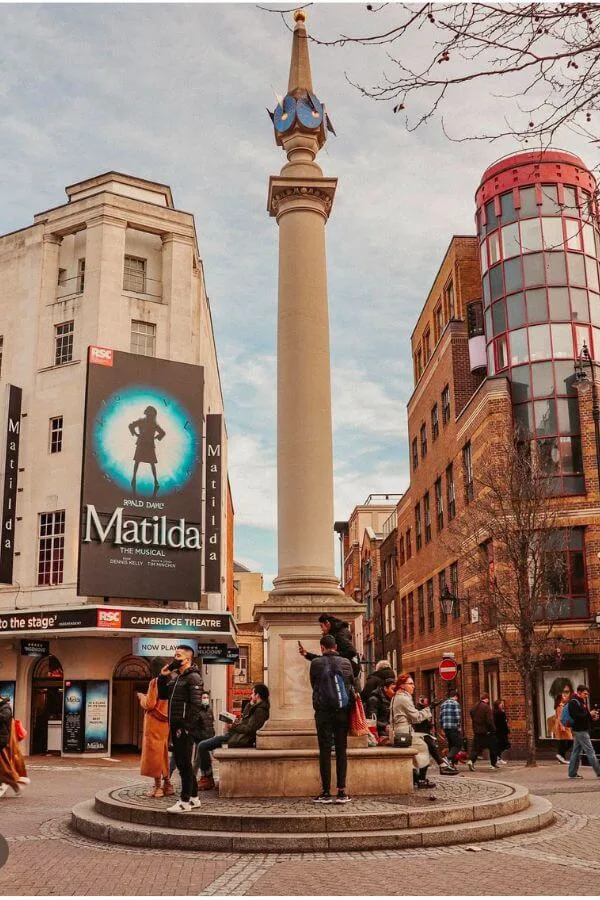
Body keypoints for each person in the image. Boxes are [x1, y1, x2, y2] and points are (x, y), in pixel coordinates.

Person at [157, 645, 204, 813]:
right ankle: (194, 798)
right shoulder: (177, 679)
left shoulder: (193, 678)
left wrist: (186, 727)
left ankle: (184, 802)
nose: (174, 659)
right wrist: (163, 677)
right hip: (175, 725)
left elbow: (196, 705)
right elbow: (162, 695)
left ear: (187, 659)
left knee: (184, 763)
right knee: (183, 763)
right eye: (174, 655)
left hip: (184, 728)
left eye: (178, 656)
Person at [308, 633, 354, 803]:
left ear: (322, 647)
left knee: (325, 751)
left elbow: (314, 685)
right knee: (342, 750)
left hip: (323, 712)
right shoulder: (346, 662)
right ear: (336, 647)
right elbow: (350, 684)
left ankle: (326, 792)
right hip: (342, 712)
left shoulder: (316, 663)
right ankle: (342, 791)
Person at [194, 684, 270, 755]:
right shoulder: (255, 708)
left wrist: (233, 726)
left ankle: (206, 769)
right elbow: (244, 718)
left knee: (202, 745)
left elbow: (250, 729)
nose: (251, 696)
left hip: (239, 739)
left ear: (257, 695)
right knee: (203, 746)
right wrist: (249, 705)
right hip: (236, 736)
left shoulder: (260, 711)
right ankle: (206, 769)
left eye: (252, 693)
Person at [389, 674, 435, 789]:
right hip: (403, 734)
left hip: (400, 732)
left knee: (421, 745)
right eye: (411, 684)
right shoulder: (403, 698)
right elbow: (416, 717)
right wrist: (428, 710)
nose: (413, 686)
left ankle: (416, 778)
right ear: (402, 686)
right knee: (424, 747)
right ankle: (421, 779)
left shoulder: (397, 696)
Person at [137, 677, 173, 798]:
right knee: (162, 753)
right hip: (164, 723)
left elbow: (149, 703)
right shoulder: (171, 682)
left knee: (154, 756)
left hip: (153, 723)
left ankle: (157, 787)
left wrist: (142, 697)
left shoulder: (155, 682)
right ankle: (168, 785)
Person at [299, 614, 361, 680]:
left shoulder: (339, 635)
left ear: (327, 623)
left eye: (321, 626)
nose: (322, 629)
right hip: (346, 670)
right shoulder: (337, 632)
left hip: (346, 672)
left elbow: (352, 651)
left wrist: (335, 655)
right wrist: (307, 654)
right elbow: (326, 658)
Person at [414, 697, 458, 775]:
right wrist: (431, 707)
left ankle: (422, 777)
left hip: (423, 733)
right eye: (426, 701)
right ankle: (442, 765)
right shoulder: (417, 708)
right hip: (420, 734)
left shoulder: (421, 708)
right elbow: (418, 718)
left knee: (428, 753)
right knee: (430, 749)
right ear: (421, 701)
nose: (427, 703)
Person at [567, 684, 600, 779]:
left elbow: (585, 716)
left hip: (582, 730)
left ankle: (572, 773)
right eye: (585, 694)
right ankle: (599, 772)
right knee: (590, 751)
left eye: (587, 694)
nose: (586, 696)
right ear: (579, 692)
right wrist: (589, 714)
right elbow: (576, 716)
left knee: (576, 752)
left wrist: (593, 717)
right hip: (580, 730)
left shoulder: (581, 702)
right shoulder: (573, 702)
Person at [467, 693, 499, 771]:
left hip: (477, 731)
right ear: (487, 699)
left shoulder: (475, 706)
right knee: (493, 747)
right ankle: (493, 764)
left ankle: (471, 761)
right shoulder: (486, 708)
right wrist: (493, 729)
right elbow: (489, 721)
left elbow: (471, 713)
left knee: (475, 748)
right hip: (486, 732)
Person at [193, 691, 216, 789]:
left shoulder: (209, 710)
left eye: (207, 697)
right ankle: (193, 779)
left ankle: (208, 779)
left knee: (207, 760)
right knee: (198, 761)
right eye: (204, 697)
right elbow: (194, 726)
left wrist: (212, 735)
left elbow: (211, 723)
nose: (205, 699)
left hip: (209, 739)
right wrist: (199, 737)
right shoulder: (197, 710)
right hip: (201, 740)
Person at [0, 696, 21, 798]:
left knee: (2, 765)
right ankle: (11, 783)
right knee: (2, 764)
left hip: (2, 738)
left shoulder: (5, 707)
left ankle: (11, 783)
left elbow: (4, 717)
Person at [439, 690, 463, 766]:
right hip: (454, 727)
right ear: (456, 696)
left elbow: (441, 717)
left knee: (451, 745)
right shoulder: (455, 703)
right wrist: (459, 727)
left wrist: (442, 728)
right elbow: (457, 716)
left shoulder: (443, 704)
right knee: (458, 745)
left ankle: (451, 764)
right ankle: (448, 758)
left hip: (446, 728)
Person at [553, 684, 574, 764]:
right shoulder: (560, 706)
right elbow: (559, 717)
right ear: (560, 699)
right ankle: (560, 755)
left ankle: (561, 758)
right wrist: (562, 726)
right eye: (563, 697)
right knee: (569, 741)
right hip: (563, 725)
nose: (565, 697)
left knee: (563, 742)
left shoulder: (561, 705)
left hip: (563, 725)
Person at [493, 699, 510, 765]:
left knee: (500, 745)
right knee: (504, 745)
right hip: (501, 731)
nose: (502, 704)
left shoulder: (495, 712)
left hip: (498, 731)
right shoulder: (500, 712)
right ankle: (497, 758)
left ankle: (498, 758)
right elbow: (503, 722)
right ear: (498, 704)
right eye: (501, 703)